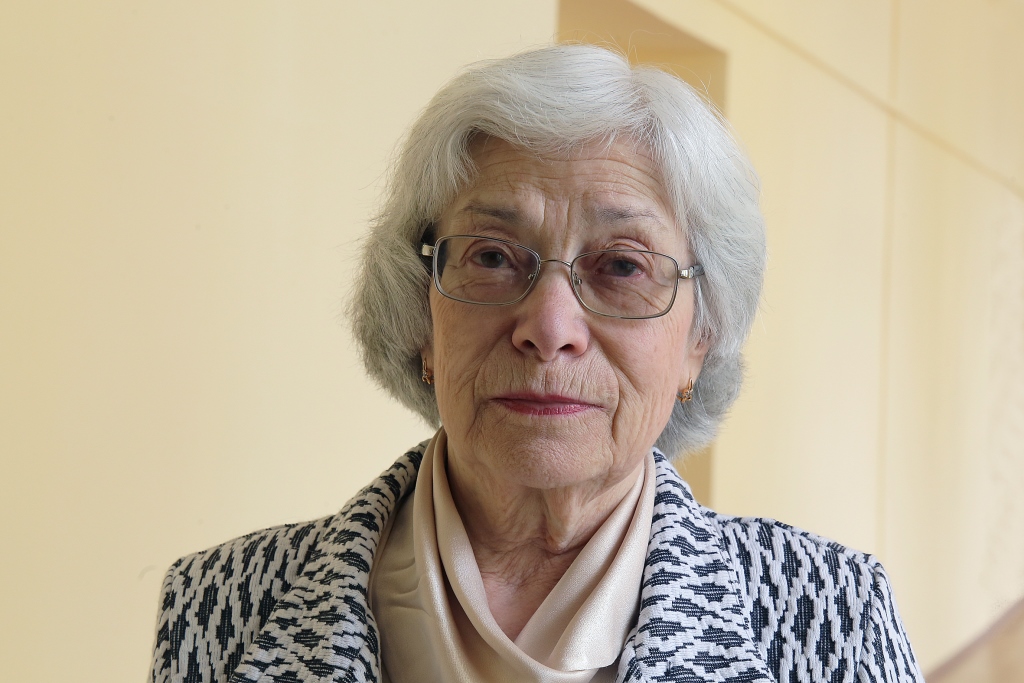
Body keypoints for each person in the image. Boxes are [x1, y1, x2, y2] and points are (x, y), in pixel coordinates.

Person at [150, 45, 923, 683]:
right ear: (421, 312)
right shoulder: (223, 605)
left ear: (700, 339)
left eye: (622, 266)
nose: (549, 328)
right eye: (492, 256)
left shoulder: (833, 614)